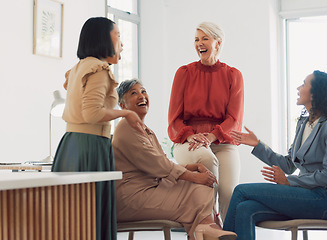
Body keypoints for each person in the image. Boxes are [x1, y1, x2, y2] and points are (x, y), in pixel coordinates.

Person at [223, 71, 327, 240]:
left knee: (241, 191)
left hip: (319, 199)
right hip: (300, 196)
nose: (299, 88)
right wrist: (257, 145)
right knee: (245, 208)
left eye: (304, 84)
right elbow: (289, 164)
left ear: (316, 92)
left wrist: (289, 181)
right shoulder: (303, 123)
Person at [51, 17, 145, 240]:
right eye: (118, 36)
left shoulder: (79, 68)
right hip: (90, 146)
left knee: (73, 216)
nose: (122, 44)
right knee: (89, 215)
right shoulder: (99, 70)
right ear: (104, 39)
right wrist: (126, 113)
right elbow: (92, 114)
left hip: (72, 144)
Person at [112, 79, 237, 240]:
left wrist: (192, 167)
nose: (141, 96)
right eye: (134, 93)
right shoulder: (126, 128)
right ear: (122, 106)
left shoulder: (144, 129)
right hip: (133, 198)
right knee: (196, 186)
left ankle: (205, 228)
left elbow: (161, 161)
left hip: (151, 188)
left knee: (202, 186)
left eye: (143, 91)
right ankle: (205, 229)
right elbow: (158, 165)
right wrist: (193, 175)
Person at [168, 22, 244, 221]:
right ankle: (211, 222)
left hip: (222, 141)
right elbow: (174, 118)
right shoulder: (183, 73)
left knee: (229, 192)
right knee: (207, 159)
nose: (199, 43)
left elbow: (234, 118)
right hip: (189, 141)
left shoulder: (233, 75)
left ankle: (228, 233)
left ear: (218, 43)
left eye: (204, 39)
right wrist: (193, 136)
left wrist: (211, 137)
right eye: (196, 39)